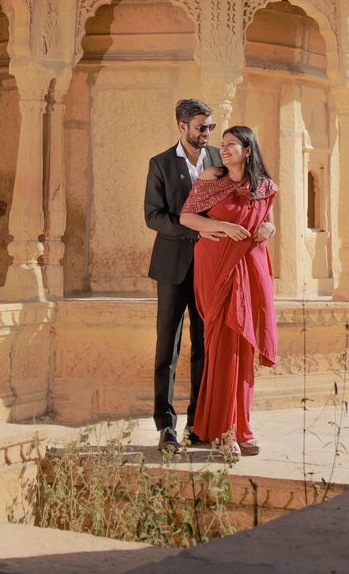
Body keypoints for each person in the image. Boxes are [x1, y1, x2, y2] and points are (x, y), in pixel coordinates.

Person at [180, 125, 278, 454]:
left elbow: (269, 221)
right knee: (222, 347)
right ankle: (223, 431)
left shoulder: (263, 186)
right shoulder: (211, 178)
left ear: (247, 150)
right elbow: (188, 218)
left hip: (249, 269)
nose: (224, 149)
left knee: (244, 349)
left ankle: (243, 428)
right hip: (216, 270)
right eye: (222, 144)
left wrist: (269, 228)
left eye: (231, 145)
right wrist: (222, 225)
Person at [144, 98, 221, 451]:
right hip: (173, 267)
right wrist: (195, 229)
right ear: (182, 127)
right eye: (200, 127)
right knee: (168, 348)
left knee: (205, 346)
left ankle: (199, 422)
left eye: (210, 127)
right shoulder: (160, 163)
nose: (206, 133)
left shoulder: (219, 159)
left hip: (210, 267)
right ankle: (166, 426)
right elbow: (153, 216)